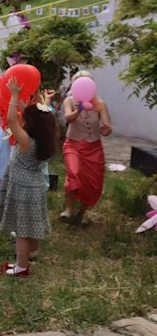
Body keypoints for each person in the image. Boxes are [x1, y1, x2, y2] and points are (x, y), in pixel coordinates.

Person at [0, 77, 59, 278]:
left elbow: (12, 120)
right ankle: (31, 254)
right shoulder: (42, 140)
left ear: (30, 124)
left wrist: (14, 95)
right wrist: (27, 105)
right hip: (35, 187)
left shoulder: (26, 142)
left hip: (23, 188)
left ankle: (21, 267)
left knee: (22, 231)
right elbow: (36, 116)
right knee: (31, 225)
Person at [61, 71, 113, 224]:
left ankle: (81, 214)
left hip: (94, 147)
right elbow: (68, 118)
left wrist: (106, 129)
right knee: (74, 172)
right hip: (73, 144)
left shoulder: (100, 103)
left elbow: (106, 126)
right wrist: (79, 109)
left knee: (91, 181)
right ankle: (69, 209)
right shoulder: (69, 101)